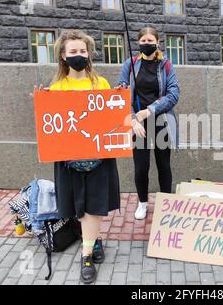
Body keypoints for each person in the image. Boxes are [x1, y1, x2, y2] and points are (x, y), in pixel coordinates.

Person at [45, 29, 120, 283]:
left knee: (95, 204)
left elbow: (113, 120)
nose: (79, 55)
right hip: (70, 159)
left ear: (89, 54)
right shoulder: (55, 88)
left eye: (82, 51)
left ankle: (86, 255)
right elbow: (50, 125)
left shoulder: (101, 84)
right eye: (73, 52)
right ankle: (94, 239)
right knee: (80, 205)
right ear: (63, 57)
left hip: (98, 157)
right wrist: (40, 103)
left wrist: (119, 102)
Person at [117, 27, 180, 220]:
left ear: (157, 42)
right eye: (143, 41)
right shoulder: (131, 64)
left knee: (164, 165)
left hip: (160, 120)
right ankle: (143, 203)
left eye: (150, 40)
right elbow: (121, 95)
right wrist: (133, 119)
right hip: (138, 124)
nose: (146, 44)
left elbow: (173, 94)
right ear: (138, 43)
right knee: (141, 167)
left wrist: (149, 110)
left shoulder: (166, 65)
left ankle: (166, 204)